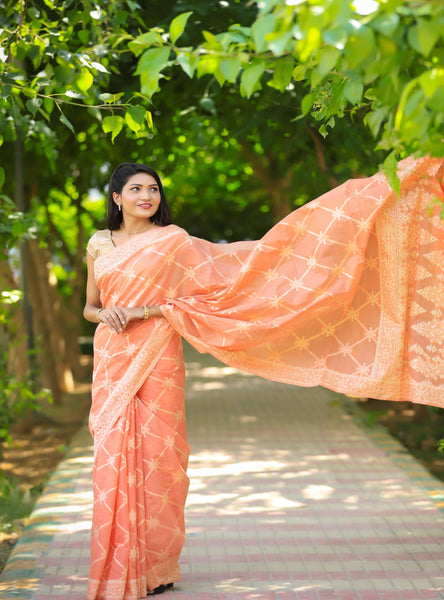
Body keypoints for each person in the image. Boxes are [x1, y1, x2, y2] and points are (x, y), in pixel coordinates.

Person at [84, 157, 444, 599]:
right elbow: (90, 305)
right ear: (117, 198)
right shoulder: (99, 244)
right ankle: (116, 561)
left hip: (156, 353)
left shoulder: (173, 242)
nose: (147, 196)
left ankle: (155, 567)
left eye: (153, 189)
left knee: (161, 454)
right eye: (136, 190)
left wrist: (143, 310)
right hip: (112, 355)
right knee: (111, 453)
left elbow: (224, 279)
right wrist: (106, 313)